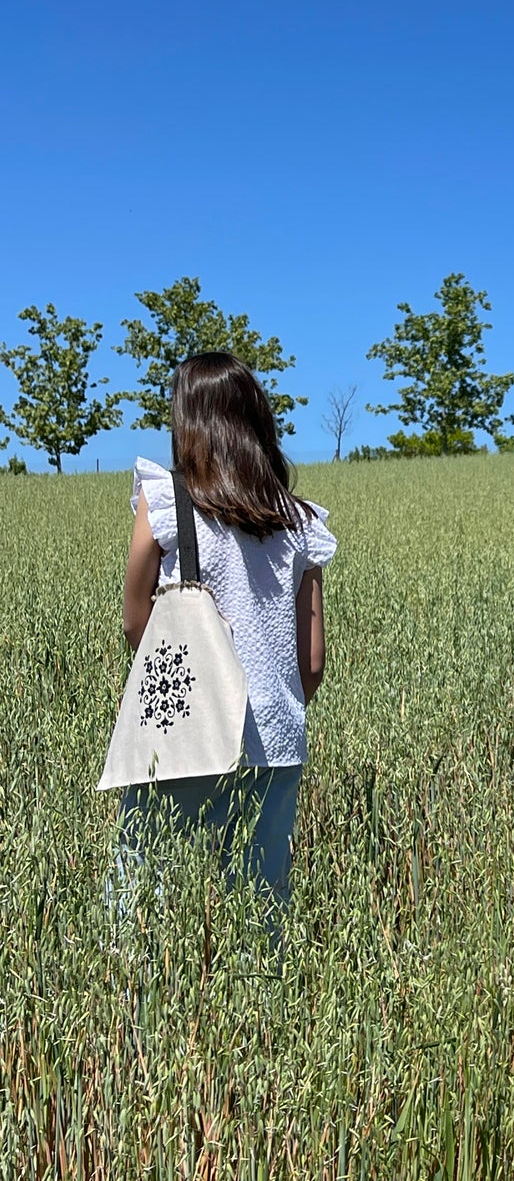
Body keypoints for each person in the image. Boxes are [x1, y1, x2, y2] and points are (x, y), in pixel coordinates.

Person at [118, 351, 337, 908]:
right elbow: (311, 659)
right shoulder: (300, 521)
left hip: (183, 734)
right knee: (261, 910)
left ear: (186, 421)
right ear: (258, 420)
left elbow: (137, 622)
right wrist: (269, 709)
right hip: (278, 741)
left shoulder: (167, 501)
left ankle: (150, 997)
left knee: (150, 903)